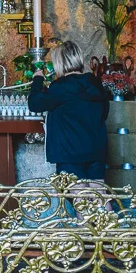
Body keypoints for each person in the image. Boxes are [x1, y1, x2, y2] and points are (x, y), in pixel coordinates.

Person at [28, 40, 110, 179]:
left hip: (70, 153)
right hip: (96, 150)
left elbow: (34, 104)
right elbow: (105, 112)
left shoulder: (60, 87)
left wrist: (37, 80)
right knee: (100, 195)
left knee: (78, 198)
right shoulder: (95, 83)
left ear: (59, 63)